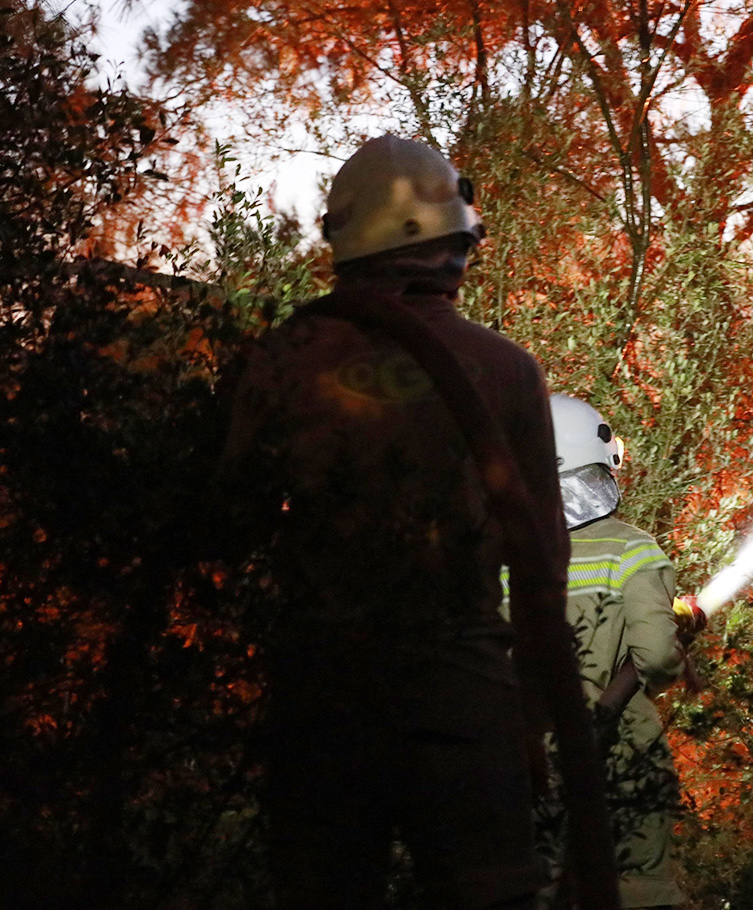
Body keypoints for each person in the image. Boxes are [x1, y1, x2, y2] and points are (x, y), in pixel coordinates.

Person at [220, 135, 611, 910]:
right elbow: (542, 561)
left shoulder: (280, 359)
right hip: (463, 705)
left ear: (346, 239)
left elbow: (224, 524)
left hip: (319, 703)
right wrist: (530, 722)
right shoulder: (504, 369)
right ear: (448, 243)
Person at [536, 394, 691, 909]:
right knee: (634, 885)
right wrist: (680, 636)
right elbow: (655, 658)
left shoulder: (512, 561)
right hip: (622, 751)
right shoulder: (632, 548)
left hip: (530, 754)